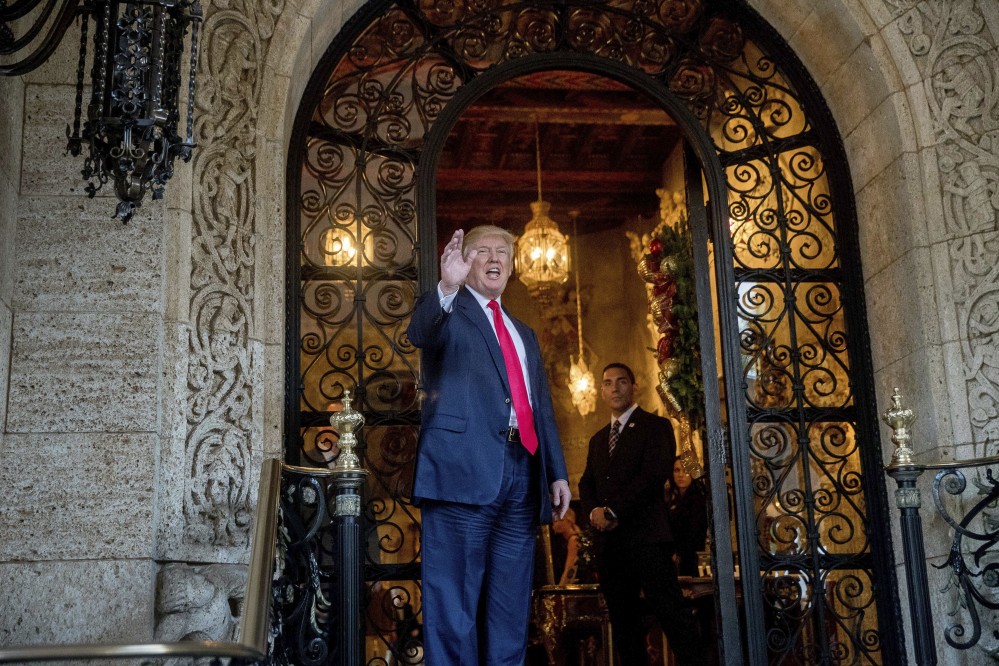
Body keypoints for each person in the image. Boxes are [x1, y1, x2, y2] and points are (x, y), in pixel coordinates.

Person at [407, 225, 572, 665]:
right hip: (461, 473)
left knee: (510, 610)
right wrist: (446, 284)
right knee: (454, 609)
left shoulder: (524, 333)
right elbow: (420, 331)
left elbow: (541, 407)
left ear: (512, 266)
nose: (494, 258)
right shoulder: (448, 311)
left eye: (503, 252)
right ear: (467, 260)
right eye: (483, 251)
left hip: (522, 475)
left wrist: (556, 471)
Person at [579, 363, 702, 666]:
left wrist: (613, 510)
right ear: (602, 391)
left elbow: (652, 475)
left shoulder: (655, 426)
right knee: (624, 627)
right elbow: (586, 482)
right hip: (612, 546)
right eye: (608, 383)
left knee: (673, 617)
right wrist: (595, 510)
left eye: (622, 381)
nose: (615, 388)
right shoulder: (597, 440)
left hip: (647, 541)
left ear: (634, 387)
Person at [667, 458, 709, 577]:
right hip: (674, 558)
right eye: (677, 470)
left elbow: (693, 532)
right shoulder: (671, 500)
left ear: (693, 474)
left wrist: (678, 553)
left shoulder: (697, 501)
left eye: (685, 471)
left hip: (691, 560)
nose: (681, 475)